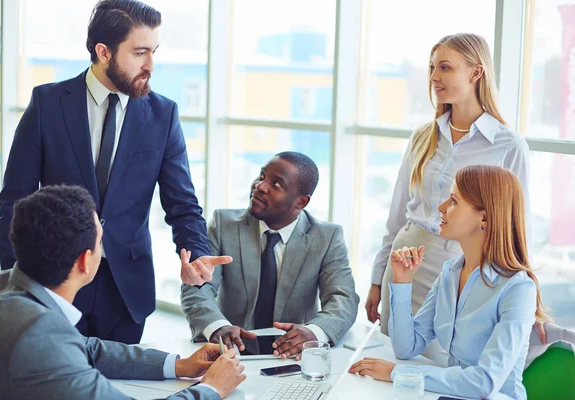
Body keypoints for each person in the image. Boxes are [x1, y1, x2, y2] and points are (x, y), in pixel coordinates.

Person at [0, 0, 230, 344]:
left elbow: (183, 204)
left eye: (154, 51)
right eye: (140, 52)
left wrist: (193, 254)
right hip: (55, 283)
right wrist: (18, 285)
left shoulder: (163, 115)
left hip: (126, 291)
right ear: (104, 52)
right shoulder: (47, 104)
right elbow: (15, 204)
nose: (150, 64)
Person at [0, 185, 245, 399]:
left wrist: (178, 364)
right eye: (101, 240)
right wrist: (211, 388)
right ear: (84, 261)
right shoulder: (43, 337)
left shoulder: (2, 288)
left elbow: (87, 348)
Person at [365, 33, 536, 337]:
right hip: (404, 262)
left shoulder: (508, 145)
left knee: (444, 361)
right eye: (431, 68)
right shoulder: (422, 137)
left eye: (445, 68)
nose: (433, 77)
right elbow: (396, 217)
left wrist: (530, 301)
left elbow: (515, 228)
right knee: (395, 358)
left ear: (476, 72)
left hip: (463, 269)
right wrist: (378, 278)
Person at [350, 166, 550, 400]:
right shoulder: (450, 272)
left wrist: (398, 373)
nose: (441, 207)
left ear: (484, 217)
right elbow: (407, 348)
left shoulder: (517, 289)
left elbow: (484, 383)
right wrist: (403, 282)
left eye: (453, 201)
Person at [181, 152, 359, 359]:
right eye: (262, 176)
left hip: (294, 357)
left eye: (276, 184)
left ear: (300, 202)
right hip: (230, 352)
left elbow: (343, 298)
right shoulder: (223, 224)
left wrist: (314, 333)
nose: (260, 186)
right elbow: (196, 287)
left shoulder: (326, 237)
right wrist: (217, 327)